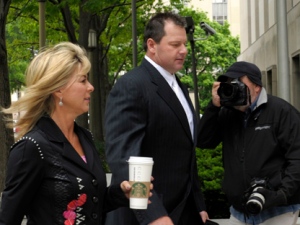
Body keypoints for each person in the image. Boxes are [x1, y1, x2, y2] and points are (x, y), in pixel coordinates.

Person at [0, 42, 139, 225]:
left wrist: (121, 193)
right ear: (59, 89)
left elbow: (90, 203)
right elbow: (7, 219)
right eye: (83, 80)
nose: (91, 87)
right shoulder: (32, 147)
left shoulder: (85, 137)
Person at [104, 12, 209, 225]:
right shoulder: (131, 86)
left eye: (185, 44)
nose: (184, 50)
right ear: (152, 45)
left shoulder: (178, 85)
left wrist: (198, 205)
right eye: (175, 44)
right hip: (146, 217)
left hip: (182, 212)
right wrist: (154, 215)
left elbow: (186, 153)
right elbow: (125, 159)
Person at [197, 61, 300, 225]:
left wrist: (282, 194)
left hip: (277, 211)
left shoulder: (281, 111)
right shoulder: (227, 113)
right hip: (239, 212)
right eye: (230, 84)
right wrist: (214, 106)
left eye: (238, 83)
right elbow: (203, 141)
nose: (234, 87)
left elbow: (297, 158)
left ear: (257, 86)